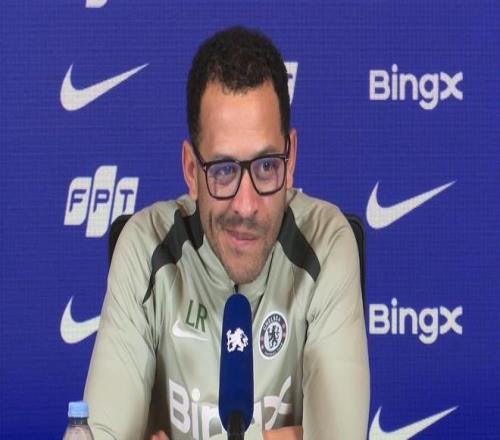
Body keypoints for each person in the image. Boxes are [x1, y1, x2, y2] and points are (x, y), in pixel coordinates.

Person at [84, 26, 370, 440]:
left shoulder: (326, 243)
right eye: (223, 171)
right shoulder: (145, 246)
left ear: (290, 160)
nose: (246, 205)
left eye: (266, 167)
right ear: (191, 170)